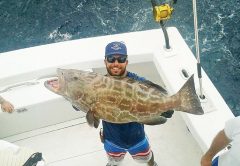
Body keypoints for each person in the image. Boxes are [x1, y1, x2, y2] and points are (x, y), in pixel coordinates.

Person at [101, 41, 173, 166]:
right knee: (113, 161)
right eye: (111, 59)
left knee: (147, 157)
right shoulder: (96, 84)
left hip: (137, 137)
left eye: (121, 59)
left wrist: (165, 105)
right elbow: (82, 102)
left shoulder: (138, 81)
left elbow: (154, 92)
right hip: (111, 139)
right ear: (105, 61)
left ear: (126, 62)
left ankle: (152, 164)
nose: (116, 63)